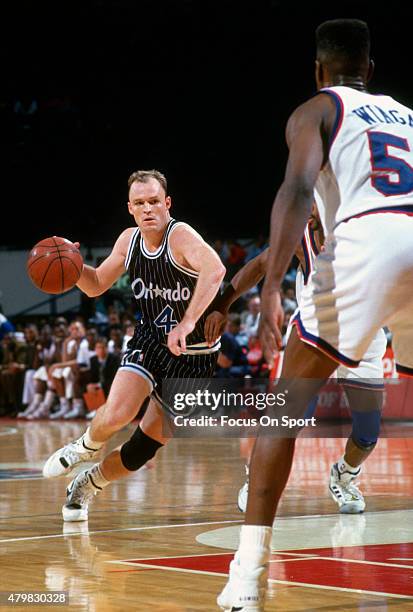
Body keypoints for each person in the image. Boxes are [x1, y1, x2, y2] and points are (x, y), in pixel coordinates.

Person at [218, 19, 413, 611]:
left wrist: (272, 286)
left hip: (366, 244)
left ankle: (247, 579)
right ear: (371, 70)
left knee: (283, 410)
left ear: (319, 71)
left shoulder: (316, 110)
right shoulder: (406, 114)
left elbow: (296, 189)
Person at [42, 169, 225, 521]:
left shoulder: (181, 235)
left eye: (154, 201)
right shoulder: (129, 241)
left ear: (167, 203)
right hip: (149, 340)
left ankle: (88, 483)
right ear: (130, 208)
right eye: (140, 203)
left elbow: (215, 270)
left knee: (141, 450)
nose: (148, 209)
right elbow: (95, 285)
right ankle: (85, 447)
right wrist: (74, 264)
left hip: (195, 358)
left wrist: (188, 323)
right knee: (119, 411)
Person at [206, 208, 386, 516]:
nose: (309, 207)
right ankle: (258, 477)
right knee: (288, 416)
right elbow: (261, 264)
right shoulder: (301, 232)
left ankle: (344, 476)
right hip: (314, 327)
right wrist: (222, 305)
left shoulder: (361, 227)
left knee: (368, 433)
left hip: (364, 332)